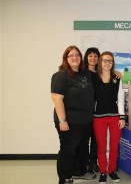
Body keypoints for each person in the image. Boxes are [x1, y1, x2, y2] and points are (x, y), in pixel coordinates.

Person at [51, 46, 95, 184]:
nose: (75, 57)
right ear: (66, 59)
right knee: (68, 151)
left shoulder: (85, 74)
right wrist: (62, 120)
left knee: (82, 149)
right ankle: (64, 178)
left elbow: (101, 74)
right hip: (69, 122)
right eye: (71, 55)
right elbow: (57, 98)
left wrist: (116, 72)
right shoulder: (61, 75)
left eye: (77, 55)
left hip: (85, 121)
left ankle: (79, 172)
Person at [91, 51, 126, 184]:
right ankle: (103, 172)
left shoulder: (117, 78)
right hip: (98, 117)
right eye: (104, 60)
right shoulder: (93, 78)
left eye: (110, 61)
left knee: (114, 146)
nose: (107, 63)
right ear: (100, 62)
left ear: (113, 63)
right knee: (101, 146)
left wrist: (122, 117)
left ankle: (111, 171)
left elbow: (121, 99)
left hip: (115, 117)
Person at [82, 47, 101, 174]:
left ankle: (93, 162)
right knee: (84, 139)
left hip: (98, 111)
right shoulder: (81, 72)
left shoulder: (100, 73)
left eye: (95, 56)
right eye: (90, 56)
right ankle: (84, 164)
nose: (93, 58)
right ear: (86, 57)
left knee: (95, 139)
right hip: (84, 111)